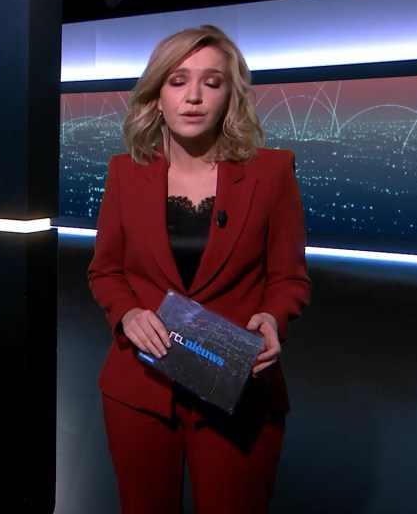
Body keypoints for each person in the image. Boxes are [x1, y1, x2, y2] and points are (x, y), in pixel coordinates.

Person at [88, 25, 310, 513]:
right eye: (177, 81)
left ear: (230, 96)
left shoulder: (272, 173)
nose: (193, 96)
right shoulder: (124, 172)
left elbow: (289, 277)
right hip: (141, 388)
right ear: (156, 97)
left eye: (211, 82)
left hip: (236, 384)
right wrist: (128, 314)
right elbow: (105, 272)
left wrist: (274, 319)